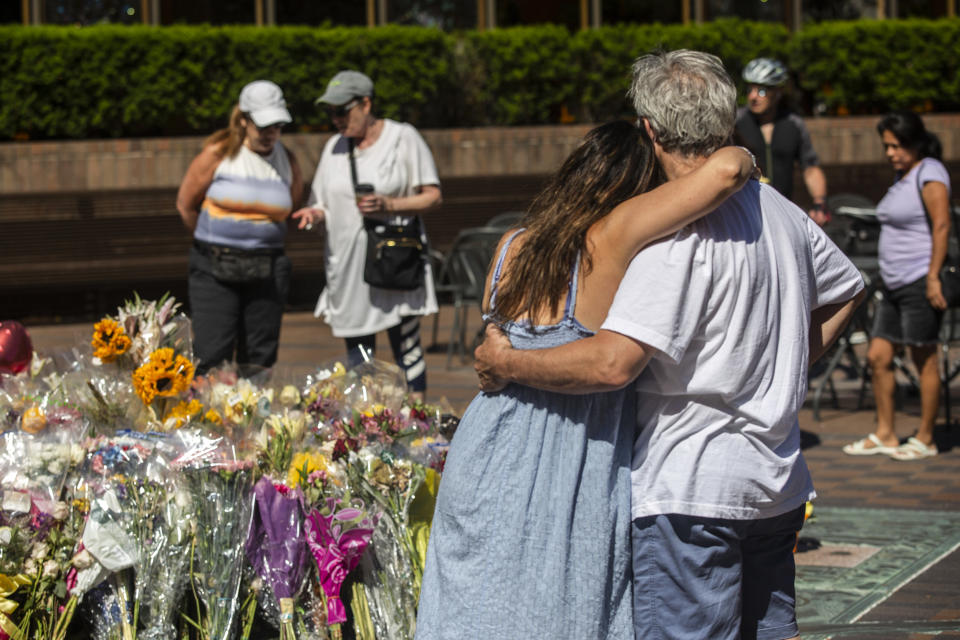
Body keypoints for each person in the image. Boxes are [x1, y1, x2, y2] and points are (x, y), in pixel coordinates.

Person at [474, 50, 865, 640]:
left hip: (691, 488)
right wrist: (786, 363)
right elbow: (847, 289)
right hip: (777, 482)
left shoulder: (669, 244)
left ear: (650, 130)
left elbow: (612, 365)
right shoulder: (783, 210)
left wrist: (506, 361)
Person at [415, 119, 757, 639]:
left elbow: (493, 342)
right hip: (569, 455)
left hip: (486, 447)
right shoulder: (613, 238)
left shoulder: (512, 244)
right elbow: (729, 169)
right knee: (560, 606)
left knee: (474, 602)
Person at [292, 70, 441, 394]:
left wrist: (389, 203)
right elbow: (324, 202)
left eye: (342, 111)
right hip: (349, 270)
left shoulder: (403, 138)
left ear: (366, 104)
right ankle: (366, 431)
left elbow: (432, 195)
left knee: (407, 352)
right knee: (359, 359)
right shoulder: (334, 147)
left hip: (394, 264)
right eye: (330, 112)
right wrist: (315, 214)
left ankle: (420, 423)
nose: (336, 119)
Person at [843, 112, 952, 461]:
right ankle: (886, 433)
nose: (890, 152)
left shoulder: (929, 172)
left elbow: (941, 226)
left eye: (896, 145)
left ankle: (925, 437)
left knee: (924, 359)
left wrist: (933, 276)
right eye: (886, 146)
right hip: (892, 284)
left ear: (914, 142)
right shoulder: (901, 178)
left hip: (920, 279)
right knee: (877, 357)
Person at [176, 80, 303, 375]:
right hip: (215, 268)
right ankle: (209, 416)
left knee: (259, 356)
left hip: (266, 268)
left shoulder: (288, 161)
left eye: (277, 126)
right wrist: (214, 239)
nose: (270, 134)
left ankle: (251, 416)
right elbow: (186, 205)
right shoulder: (218, 154)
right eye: (263, 126)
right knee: (211, 352)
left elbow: (289, 209)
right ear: (243, 120)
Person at [735, 57, 830, 226]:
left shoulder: (793, 124)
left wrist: (819, 204)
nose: (753, 96)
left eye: (761, 91)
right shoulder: (736, 123)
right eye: (750, 89)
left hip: (782, 213)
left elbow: (810, 167)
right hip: (744, 215)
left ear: (777, 92)